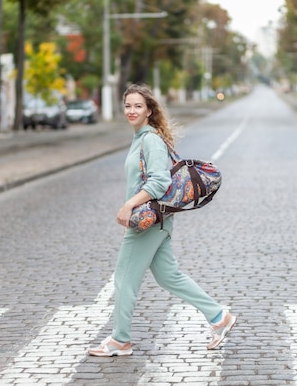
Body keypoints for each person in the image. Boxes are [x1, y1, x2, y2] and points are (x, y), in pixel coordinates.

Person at [88, 83, 236, 357]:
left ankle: (120, 340)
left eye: (138, 106)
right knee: (170, 276)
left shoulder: (150, 140)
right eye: (128, 105)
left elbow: (158, 182)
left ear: (149, 111)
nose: (131, 111)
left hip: (151, 222)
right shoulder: (141, 138)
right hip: (154, 222)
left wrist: (129, 206)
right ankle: (219, 317)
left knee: (123, 279)